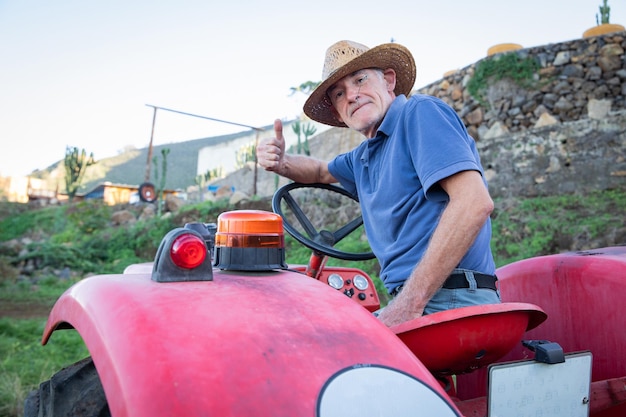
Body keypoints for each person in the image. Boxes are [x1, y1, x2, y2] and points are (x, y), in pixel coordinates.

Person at [257, 40, 500, 327]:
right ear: (338, 113)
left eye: (360, 80)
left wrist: (407, 306)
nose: (352, 95)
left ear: (388, 81)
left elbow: (474, 203)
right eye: (339, 93)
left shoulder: (419, 114)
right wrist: (282, 162)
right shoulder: (363, 157)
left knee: (332, 352)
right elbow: (321, 172)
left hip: (452, 298)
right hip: (422, 300)